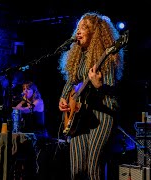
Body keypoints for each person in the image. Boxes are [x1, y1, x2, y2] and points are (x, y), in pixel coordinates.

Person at [57, 12, 125, 180]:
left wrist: (99, 87)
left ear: (95, 33)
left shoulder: (108, 58)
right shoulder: (78, 56)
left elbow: (113, 99)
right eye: (78, 28)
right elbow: (72, 81)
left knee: (94, 167)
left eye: (84, 28)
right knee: (77, 170)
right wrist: (63, 98)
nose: (78, 32)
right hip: (80, 117)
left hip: (101, 116)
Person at [12, 81, 50, 180]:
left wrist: (23, 103)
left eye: (28, 89)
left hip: (39, 134)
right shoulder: (27, 102)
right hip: (30, 134)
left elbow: (26, 110)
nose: (25, 91)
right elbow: (17, 108)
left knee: (35, 161)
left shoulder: (39, 101)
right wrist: (23, 101)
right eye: (24, 89)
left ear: (34, 90)